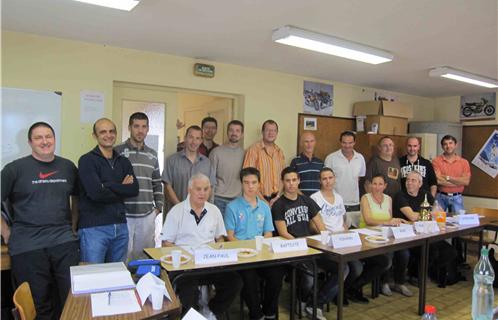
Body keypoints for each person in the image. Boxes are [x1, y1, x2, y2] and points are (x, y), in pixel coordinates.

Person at [1, 122, 80, 319]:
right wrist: (5, 231)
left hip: (63, 243)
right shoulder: (14, 169)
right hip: (28, 246)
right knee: (38, 306)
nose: (45, 141)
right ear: (30, 142)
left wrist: (73, 225)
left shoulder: (68, 166)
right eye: (39, 138)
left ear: (54, 139)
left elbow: (76, 198)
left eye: (48, 136)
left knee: (71, 300)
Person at [161, 173, 242, 319]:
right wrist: (183, 257)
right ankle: (192, 315)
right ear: (189, 190)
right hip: (186, 267)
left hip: (209, 263)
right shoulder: (177, 212)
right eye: (198, 189)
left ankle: (212, 310)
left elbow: (220, 238)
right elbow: (166, 243)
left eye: (206, 189)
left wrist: (219, 253)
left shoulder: (214, 211)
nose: (202, 193)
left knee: (235, 281)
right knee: (188, 291)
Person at [272, 167, 345, 320]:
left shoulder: (306, 200)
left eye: (294, 180)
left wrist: (326, 240)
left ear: (299, 181)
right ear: (283, 182)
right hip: (293, 249)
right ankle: (302, 300)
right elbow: (283, 232)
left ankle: (315, 303)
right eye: (287, 181)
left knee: (342, 268)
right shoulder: (279, 205)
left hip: (312, 247)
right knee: (310, 276)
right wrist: (299, 245)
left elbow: (320, 223)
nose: (291, 184)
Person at [311, 168, 389, 304]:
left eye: (330, 178)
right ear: (320, 181)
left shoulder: (339, 198)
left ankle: (346, 291)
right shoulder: (315, 198)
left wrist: (347, 237)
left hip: (343, 240)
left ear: (334, 179)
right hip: (328, 242)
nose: (328, 181)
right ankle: (336, 294)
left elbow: (343, 222)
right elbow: (313, 225)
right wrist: (325, 235)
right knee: (356, 268)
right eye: (324, 178)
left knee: (381, 261)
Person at [225, 167, 284, 320]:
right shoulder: (232, 207)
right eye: (246, 183)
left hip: (261, 255)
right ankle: (256, 315)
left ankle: (269, 312)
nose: (250, 186)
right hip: (242, 258)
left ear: (259, 184)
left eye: (254, 182)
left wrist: (261, 246)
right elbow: (230, 237)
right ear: (241, 184)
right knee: (249, 277)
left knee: (277, 273)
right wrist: (246, 250)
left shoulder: (264, 207)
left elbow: (269, 233)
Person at [78, 118, 139, 263]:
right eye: (103, 132)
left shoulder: (123, 161)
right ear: (95, 136)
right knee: (93, 278)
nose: (108, 135)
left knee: (117, 278)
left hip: (121, 227)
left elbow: (134, 190)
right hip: (94, 229)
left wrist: (108, 185)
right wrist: (121, 186)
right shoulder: (87, 161)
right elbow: (96, 193)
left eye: (111, 131)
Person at [393, 171, 458, 288]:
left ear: (420, 183)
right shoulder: (400, 196)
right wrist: (430, 214)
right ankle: (417, 275)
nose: (409, 183)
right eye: (408, 180)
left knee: (450, 251)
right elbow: (412, 216)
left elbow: (440, 211)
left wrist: (428, 214)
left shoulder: (426, 195)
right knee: (431, 251)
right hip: (409, 236)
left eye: (413, 180)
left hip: (427, 232)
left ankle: (427, 272)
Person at [114, 112, 164, 260]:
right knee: (123, 255)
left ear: (148, 129)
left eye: (144, 127)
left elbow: (156, 182)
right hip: (124, 215)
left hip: (147, 215)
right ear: (130, 127)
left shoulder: (153, 154)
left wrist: (158, 207)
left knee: (144, 256)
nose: (140, 130)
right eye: (136, 126)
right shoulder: (117, 151)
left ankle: (143, 283)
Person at [360, 174, 411, 297]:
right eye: (374, 183)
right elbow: (368, 220)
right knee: (389, 253)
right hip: (368, 236)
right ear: (370, 185)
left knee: (404, 253)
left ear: (385, 186)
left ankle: (399, 283)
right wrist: (386, 222)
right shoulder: (365, 198)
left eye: (380, 184)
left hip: (385, 235)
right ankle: (385, 283)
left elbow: (389, 219)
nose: (377, 187)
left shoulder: (388, 199)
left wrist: (396, 220)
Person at [162, 125, 216, 206]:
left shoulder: (207, 163)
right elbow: (167, 187)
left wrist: (201, 206)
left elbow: (210, 187)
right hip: (176, 212)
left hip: (199, 212)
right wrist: (180, 207)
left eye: (197, 138)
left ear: (201, 140)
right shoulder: (172, 161)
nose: (194, 142)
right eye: (191, 137)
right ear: (185, 138)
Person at [243, 120, 285, 205]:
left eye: (274, 130)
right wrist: (263, 201)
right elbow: (247, 178)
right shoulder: (253, 150)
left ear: (277, 133)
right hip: (258, 200)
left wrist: (277, 197)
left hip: (277, 200)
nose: (271, 133)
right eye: (268, 130)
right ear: (262, 132)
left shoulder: (279, 152)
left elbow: (283, 177)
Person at [324, 131, 366, 212]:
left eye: (350, 143)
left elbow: (359, 178)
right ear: (340, 142)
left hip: (354, 203)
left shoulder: (360, 158)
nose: (347, 146)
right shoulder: (331, 158)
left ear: (354, 143)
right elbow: (325, 181)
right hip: (335, 202)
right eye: (344, 143)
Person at [209, 120, 245, 216]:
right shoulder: (216, 152)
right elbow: (210, 178)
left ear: (242, 134)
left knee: (236, 230)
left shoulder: (245, 154)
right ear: (227, 132)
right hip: (219, 199)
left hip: (238, 199)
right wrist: (210, 202)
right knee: (220, 230)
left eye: (237, 131)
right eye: (231, 130)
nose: (234, 133)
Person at [431, 135, 471, 213]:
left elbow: (466, 182)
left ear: (455, 145)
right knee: (436, 221)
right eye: (445, 144)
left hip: (457, 197)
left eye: (450, 143)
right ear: (442, 146)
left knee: (459, 222)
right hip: (440, 197)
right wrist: (459, 182)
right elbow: (438, 181)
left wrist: (448, 178)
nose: (448, 146)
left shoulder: (464, 162)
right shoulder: (436, 161)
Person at [290, 132, 324, 196]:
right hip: (301, 200)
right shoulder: (295, 162)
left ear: (315, 143)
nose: (309, 144)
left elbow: (324, 183)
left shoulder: (320, 163)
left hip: (318, 201)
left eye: (312, 141)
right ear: (301, 144)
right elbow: (292, 183)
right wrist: (304, 198)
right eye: (306, 141)